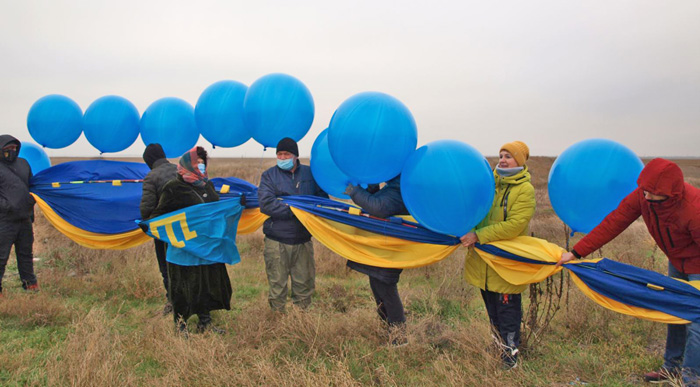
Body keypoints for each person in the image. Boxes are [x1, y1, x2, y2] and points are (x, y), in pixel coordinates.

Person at [557, 158, 700, 386]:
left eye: (652, 194)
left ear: (670, 195)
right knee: (674, 313)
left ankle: (691, 379)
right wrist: (576, 252)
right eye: (644, 191)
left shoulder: (694, 208)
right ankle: (671, 368)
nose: (646, 197)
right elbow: (614, 222)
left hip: (698, 266)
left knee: (697, 320)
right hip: (677, 262)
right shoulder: (643, 196)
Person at [461, 141, 535, 369]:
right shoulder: (489, 183)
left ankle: (510, 356)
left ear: (520, 161)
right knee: (492, 308)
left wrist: (479, 235)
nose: (502, 159)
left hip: (505, 262)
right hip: (484, 261)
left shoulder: (525, 190)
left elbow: (514, 225)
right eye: (501, 155)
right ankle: (498, 345)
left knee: (507, 310)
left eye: (509, 156)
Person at [149, 146, 232, 335]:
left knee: (205, 285)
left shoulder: (207, 186)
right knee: (182, 289)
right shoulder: (173, 188)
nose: (201, 167)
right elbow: (158, 216)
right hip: (182, 250)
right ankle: (181, 326)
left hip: (205, 248)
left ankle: (205, 323)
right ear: (186, 165)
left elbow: (215, 210)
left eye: (203, 164)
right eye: (197, 163)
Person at [258, 137, 328, 311]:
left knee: (304, 285)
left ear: (295, 156)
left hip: (303, 240)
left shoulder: (311, 174)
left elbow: (322, 201)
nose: (282, 158)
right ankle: (277, 323)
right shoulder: (269, 176)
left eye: (286, 154)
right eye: (279, 154)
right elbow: (266, 204)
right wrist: (298, 210)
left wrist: (291, 204)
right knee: (277, 286)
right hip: (276, 241)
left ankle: (301, 324)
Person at [344, 175, 410, 346]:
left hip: (388, 250)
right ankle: (388, 331)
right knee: (378, 287)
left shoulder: (400, 189)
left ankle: (399, 337)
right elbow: (379, 200)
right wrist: (372, 187)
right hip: (382, 247)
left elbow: (378, 207)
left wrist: (355, 191)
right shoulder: (396, 186)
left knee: (386, 289)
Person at [140, 143, 178, 315]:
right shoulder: (181, 170)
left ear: (149, 161)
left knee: (166, 269)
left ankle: (173, 302)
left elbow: (146, 209)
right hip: (188, 229)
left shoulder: (151, 177)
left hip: (163, 232)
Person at [0, 135, 39, 296]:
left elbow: (32, 185)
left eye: (14, 148)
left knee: (26, 254)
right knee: (1, 256)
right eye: (7, 149)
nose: (11, 151)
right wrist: (6, 206)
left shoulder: (23, 164)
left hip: (24, 219)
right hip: (4, 220)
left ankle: (30, 284)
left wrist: (31, 203)